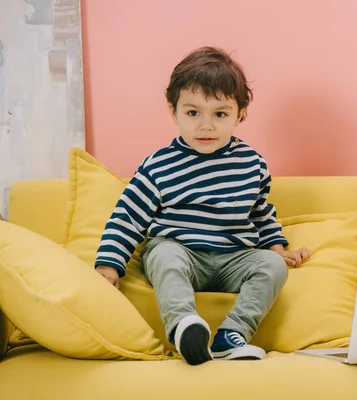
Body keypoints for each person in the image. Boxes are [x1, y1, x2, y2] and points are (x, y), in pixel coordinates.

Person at [94, 46, 310, 365]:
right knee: (165, 254)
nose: (205, 125)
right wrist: (109, 263)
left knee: (272, 267)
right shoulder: (159, 166)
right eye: (193, 113)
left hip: (234, 257)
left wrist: (277, 248)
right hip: (182, 252)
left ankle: (230, 335)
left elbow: (261, 213)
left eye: (219, 114)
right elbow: (127, 217)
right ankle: (184, 326)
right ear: (174, 111)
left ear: (240, 115)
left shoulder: (251, 164)